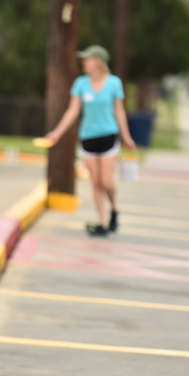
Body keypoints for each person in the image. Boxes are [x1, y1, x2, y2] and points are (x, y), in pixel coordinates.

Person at [46, 45, 136, 237]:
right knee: (96, 183)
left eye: (87, 59)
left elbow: (119, 111)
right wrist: (57, 133)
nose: (84, 62)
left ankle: (114, 208)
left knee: (106, 182)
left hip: (108, 135)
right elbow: (73, 111)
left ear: (98, 62)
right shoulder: (80, 83)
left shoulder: (114, 83)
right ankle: (103, 223)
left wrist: (126, 136)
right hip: (88, 137)